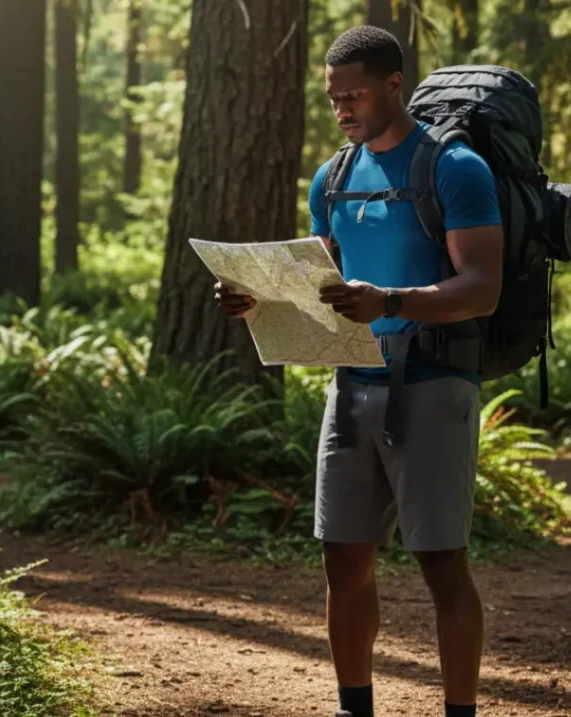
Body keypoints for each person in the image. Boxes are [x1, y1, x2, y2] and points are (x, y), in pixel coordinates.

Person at [215, 25, 503, 717]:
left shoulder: (454, 169)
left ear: (394, 86)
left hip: (434, 384)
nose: (342, 108)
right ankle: (355, 707)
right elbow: (318, 279)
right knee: (342, 560)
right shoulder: (335, 176)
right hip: (351, 385)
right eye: (333, 97)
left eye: (355, 94)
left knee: (441, 564)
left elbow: (483, 287)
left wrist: (391, 301)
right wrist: (256, 296)